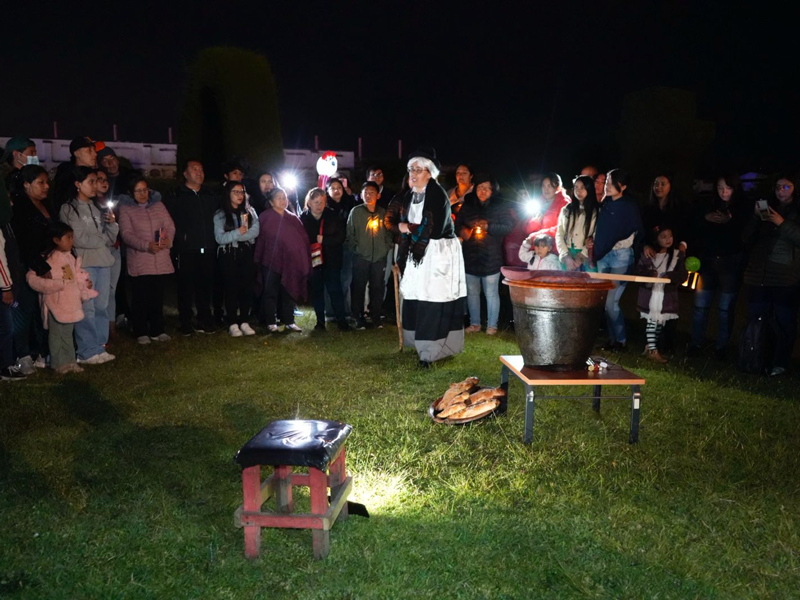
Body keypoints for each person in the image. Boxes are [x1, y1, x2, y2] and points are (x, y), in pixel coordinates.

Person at [386, 148, 466, 367]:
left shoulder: (437, 194)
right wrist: (400, 227)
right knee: (415, 295)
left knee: (433, 299)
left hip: (437, 252)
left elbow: (431, 227)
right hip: (416, 253)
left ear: (430, 173)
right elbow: (390, 219)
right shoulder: (408, 195)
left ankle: (430, 352)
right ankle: (415, 342)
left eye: (418, 169)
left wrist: (405, 228)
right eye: (411, 169)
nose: (413, 173)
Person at [741, 173, 800, 376]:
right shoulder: (766, 208)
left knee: (784, 323)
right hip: (758, 274)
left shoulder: (795, 211)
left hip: (784, 276)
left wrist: (781, 222)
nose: (781, 191)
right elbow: (746, 238)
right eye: (778, 187)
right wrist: (755, 217)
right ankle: (754, 359)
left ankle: (780, 362)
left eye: (786, 187)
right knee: (756, 319)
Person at [59, 167, 116, 364]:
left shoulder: (95, 208)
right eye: (91, 182)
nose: (95, 186)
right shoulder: (68, 208)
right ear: (77, 184)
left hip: (103, 261)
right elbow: (79, 239)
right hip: (86, 263)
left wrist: (113, 225)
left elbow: (109, 239)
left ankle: (100, 346)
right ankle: (87, 350)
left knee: (102, 305)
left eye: (96, 181)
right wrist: (101, 238)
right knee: (87, 307)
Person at [688, 174, 749, 358]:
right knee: (700, 306)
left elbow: (745, 233)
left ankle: (721, 347)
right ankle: (696, 344)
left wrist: (730, 219)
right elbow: (695, 227)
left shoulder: (743, 208)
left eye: (728, 188)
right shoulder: (708, 204)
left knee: (725, 309)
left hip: (730, 264)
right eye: (721, 187)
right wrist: (706, 217)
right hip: (708, 263)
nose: (724, 192)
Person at [26, 222, 98, 374]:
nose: (72, 241)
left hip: (70, 302)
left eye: (72, 237)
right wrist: (55, 285)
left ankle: (70, 361)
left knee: (67, 333)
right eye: (68, 237)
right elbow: (32, 278)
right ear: (56, 239)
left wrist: (84, 284)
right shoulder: (47, 259)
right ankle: (59, 363)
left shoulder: (70, 257)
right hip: (56, 303)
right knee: (56, 334)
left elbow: (74, 276)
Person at [163, 159, 218, 335]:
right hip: (186, 249)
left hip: (208, 248)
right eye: (194, 169)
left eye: (201, 169)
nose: (199, 172)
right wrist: (181, 238)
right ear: (185, 174)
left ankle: (205, 319)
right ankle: (185, 321)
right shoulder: (177, 195)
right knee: (185, 287)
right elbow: (168, 221)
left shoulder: (209, 195)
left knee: (205, 286)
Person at [118, 176, 175, 345]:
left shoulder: (158, 205)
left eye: (145, 190)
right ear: (131, 192)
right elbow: (126, 234)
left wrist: (168, 240)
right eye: (138, 191)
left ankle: (158, 329)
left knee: (157, 296)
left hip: (160, 257)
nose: (143, 194)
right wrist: (145, 245)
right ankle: (140, 330)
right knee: (140, 297)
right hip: (140, 259)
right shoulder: (126, 209)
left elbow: (170, 225)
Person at [592, 168, 645, 351]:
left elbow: (633, 231)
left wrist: (613, 242)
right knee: (605, 301)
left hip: (621, 257)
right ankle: (612, 339)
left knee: (611, 302)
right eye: (606, 181)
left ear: (622, 186)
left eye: (610, 182)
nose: (606, 185)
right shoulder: (605, 204)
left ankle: (621, 341)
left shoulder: (629, 206)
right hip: (603, 256)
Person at [455, 173, 513, 335]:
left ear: (493, 191)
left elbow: (508, 227)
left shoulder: (499, 207)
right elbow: (456, 224)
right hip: (471, 255)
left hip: (491, 256)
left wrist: (489, 226)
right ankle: (475, 323)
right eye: (480, 187)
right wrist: (464, 231)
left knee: (491, 292)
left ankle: (492, 325)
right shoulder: (468, 206)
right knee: (472, 292)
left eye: (487, 188)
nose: (483, 191)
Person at [8, 165, 53, 373]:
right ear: (26, 185)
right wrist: (39, 264)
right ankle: (22, 355)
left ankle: (39, 351)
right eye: (40, 183)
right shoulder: (20, 208)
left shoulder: (46, 205)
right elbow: (24, 243)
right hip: (25, 266)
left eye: (47, 182)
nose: (46, 187)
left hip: (43, 264)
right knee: (23, 311)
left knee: (39, 311)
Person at [254, 188, 311, 332]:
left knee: (289, 290)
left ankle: (289, 321)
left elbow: (302, 240)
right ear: (271, 202)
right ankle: (271, 322)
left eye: (284, 197)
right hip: (270, 261)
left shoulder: (293, 218)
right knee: (270, 291)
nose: (283, 200)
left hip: (290, 262)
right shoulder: (265, 217)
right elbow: (262, 240)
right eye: (279, 198)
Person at [214, 181, 259, 337]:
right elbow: (220, 238)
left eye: (242, 192)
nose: (240, 195)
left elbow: (254, 232)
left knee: (246, 286)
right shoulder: (220, 214)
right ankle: (232, 322)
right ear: (228, 194)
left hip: (245, 252)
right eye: (236, 192)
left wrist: (235, 234)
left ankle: (245, 321)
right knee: (231, 288)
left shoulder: (250, 212)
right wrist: (239, 232)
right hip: (228, 254)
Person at [635, 226, 687, 363]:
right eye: (663, 237)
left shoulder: (676, 255)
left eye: (670, 236)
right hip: (651, 294)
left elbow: (683, 275)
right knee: (652, 320)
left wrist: (669, 276)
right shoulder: (648, 254)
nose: (668, 239)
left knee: (659, 323)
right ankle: (653, 349)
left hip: (666, 296)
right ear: (656, 239)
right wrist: (650, 275)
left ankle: (649, 347)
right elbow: (639, 270)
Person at [300, 188, 349, 331]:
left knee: (335, 290)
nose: (319, 205)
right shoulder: (303, 218)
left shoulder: (333, 215)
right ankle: (320, 322)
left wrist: (324, 240)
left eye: (322, 202)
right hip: (313, 261)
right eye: (315, 202)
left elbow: (341, 236)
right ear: (309, 203)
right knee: (317, 291)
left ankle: (342, 321)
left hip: (331, 260)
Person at [347, 182, 392, 330]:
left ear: (378, 195)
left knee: (377, 287)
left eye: (372, 192)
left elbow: (388, 233)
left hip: (379, 257)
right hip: (361, 257)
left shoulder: (383, 212)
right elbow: (350, 233)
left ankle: (376, 316)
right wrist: (357, 249)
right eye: (365, 192)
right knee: (358, 287)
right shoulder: (356, 212)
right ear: (361, 195)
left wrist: (385, 248)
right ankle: (358, 316)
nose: (368, 195)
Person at [504, 172, 569, 267]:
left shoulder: (565, 203)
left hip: (553, 252)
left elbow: (562, 229)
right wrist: (535, 222)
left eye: (550, 186)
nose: (546, 189)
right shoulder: (539, 202)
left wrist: (537, 235)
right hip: (537, 251)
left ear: (558, 187)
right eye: (543, 186)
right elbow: (526, 228)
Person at [0, 177, 26, 380]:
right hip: (3, 287)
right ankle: (6, 365)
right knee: (6, 328)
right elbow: (0, 260)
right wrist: (6, 288)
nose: (11, 203)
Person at [326, 177, 358, 316]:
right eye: (332, 188)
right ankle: (331, 311)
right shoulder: (325, 206)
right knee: (331, 279)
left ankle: (344, 310)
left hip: (347, 246)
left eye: (339, 187)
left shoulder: (350, 203)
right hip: (330, 247)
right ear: (327, 190)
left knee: (345, 278)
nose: (336, 190)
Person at [556, 175, 599, 271]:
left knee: (587, 284)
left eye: (583, 187)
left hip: (587, 253)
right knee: (568, 284)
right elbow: (560, 232)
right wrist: (565, 255)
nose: (578, 191)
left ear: (589, 189)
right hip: (568, 252)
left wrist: (581, 256)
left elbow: (595, 235)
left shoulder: (596, 211)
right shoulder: (567, 209)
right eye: (576, 187)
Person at [642, 173, 690, 257]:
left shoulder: (680, 207)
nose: (658, 187)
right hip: (654, 253)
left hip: (676, 252)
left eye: (663, 184)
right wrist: (646, 245)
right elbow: (644, 230)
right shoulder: (647, 209)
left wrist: (682, 244)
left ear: (670, 186)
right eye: (656, 184)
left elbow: (686, 228)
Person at [52, 137, 98, 210]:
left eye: (94, 150)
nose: (95, 154)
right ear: (77, 153)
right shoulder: (66, 176)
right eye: (89, 150)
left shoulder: (95, 174)